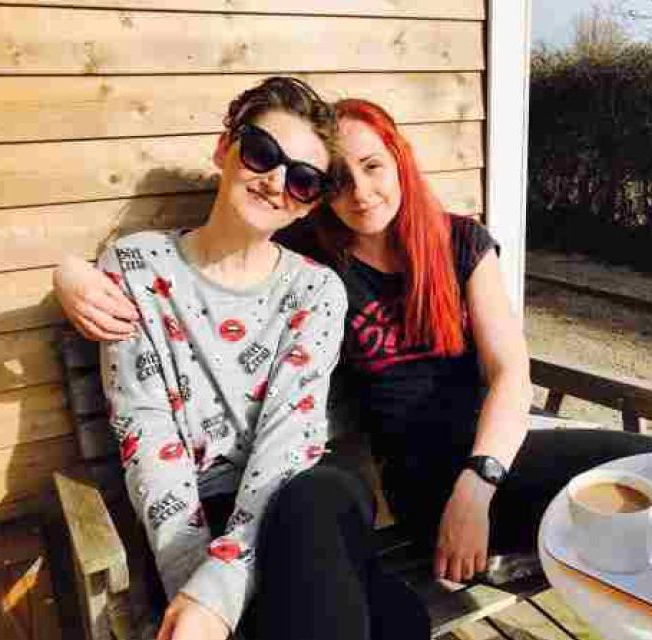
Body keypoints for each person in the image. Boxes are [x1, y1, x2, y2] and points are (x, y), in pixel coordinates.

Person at [55, 94, 652, 605]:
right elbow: (233, 242)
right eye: (338, 180)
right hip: (421, 483)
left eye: (373, 167)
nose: (361, 193)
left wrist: (478, 485)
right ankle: (532, 555)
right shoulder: (316, 261)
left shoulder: (460, 242)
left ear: (400, 161)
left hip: (492, 460)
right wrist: (73, 273)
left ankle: (538, 556)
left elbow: (511, 373)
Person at [84, 77, 430, 640]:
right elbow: (147, 435)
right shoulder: (137, 268)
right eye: (263, 153)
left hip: (305, 489)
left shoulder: (315, 290)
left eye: (303, 179)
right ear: (225, 147)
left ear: (310, 204)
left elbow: (289, 442)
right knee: (395, 621)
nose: (275, 182)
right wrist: (195, 586)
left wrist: (216, 592)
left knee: (313, 501)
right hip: (203, 518)